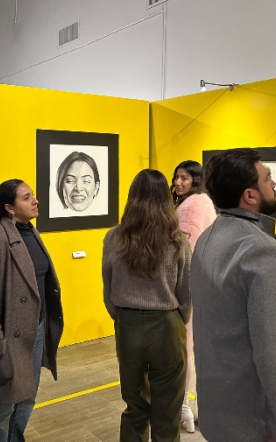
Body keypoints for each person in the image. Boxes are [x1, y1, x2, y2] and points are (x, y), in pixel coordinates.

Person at [192, 148, 276, 442]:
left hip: (216, 410)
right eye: (267, 178)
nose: (274, 183)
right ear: (250, 196)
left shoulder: (207, 237)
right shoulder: (263, 252)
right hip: (250, 420)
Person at [103, 169, 191, 442]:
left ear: (132, 197)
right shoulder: (178, 240)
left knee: (134, 404)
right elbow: (186, 291)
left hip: (128, 324)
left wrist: (122, 316)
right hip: (167, 324)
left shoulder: (114, 237)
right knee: (168, 408)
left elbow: (108, 286)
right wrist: (179, 318)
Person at [0, 179, 64, 442]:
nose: (35, 201)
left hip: (35, 329)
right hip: (9, 337)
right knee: (3, 403)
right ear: (9, 208)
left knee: (27, 396)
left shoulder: (31, 233)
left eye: (32, 195)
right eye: (26, 197)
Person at [170, 160, 216, 434]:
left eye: (184, 178)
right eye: (176, 177)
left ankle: (183, 406)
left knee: (184, 349)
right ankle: (200, 409)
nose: (178, 182)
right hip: (203, 287)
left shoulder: (190, 209)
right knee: (196, 348)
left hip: (187, 289)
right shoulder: (205, 203)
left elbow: (184, 255)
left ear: (196, 180)